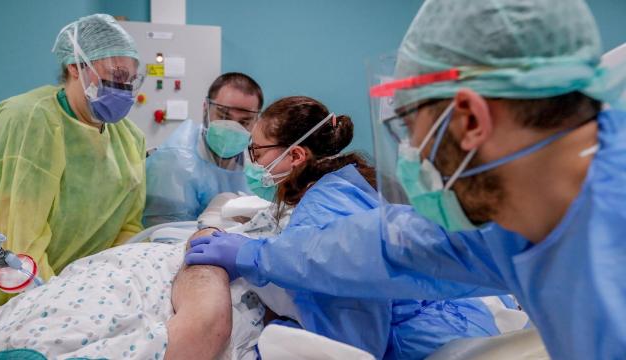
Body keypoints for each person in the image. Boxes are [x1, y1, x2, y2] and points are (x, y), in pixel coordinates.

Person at [180, 0, 626, 358]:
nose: (412, 156)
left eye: (412, 130)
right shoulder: (522, 212)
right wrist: (260, 254)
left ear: (470, 119)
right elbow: (386, 248)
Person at [186, 96, 524, 358]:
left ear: (296, 156)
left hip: (434, 341)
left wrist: (262, 272)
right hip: (468, 318)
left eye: (257, 151)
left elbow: (356, 339)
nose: (253, 162)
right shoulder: (349, 182)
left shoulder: (321, 207)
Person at [0, 14, 146, 306]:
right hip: (13, 296)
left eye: (132, 79)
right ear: (76, 66)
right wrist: (55, 302)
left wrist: (122, 284)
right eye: (117, 74)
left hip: (85, 291)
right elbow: (19, 240)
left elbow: (129, 229)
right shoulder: (28, 121)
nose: (124, 88)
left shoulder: (130, 139)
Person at [143, 73, 263, 227]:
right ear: (206, 107)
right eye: (224, 116)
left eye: (244, 121)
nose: (233, 127)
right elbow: (163, 231)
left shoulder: (258, 161)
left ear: (257, 121)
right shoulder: (175, 160)